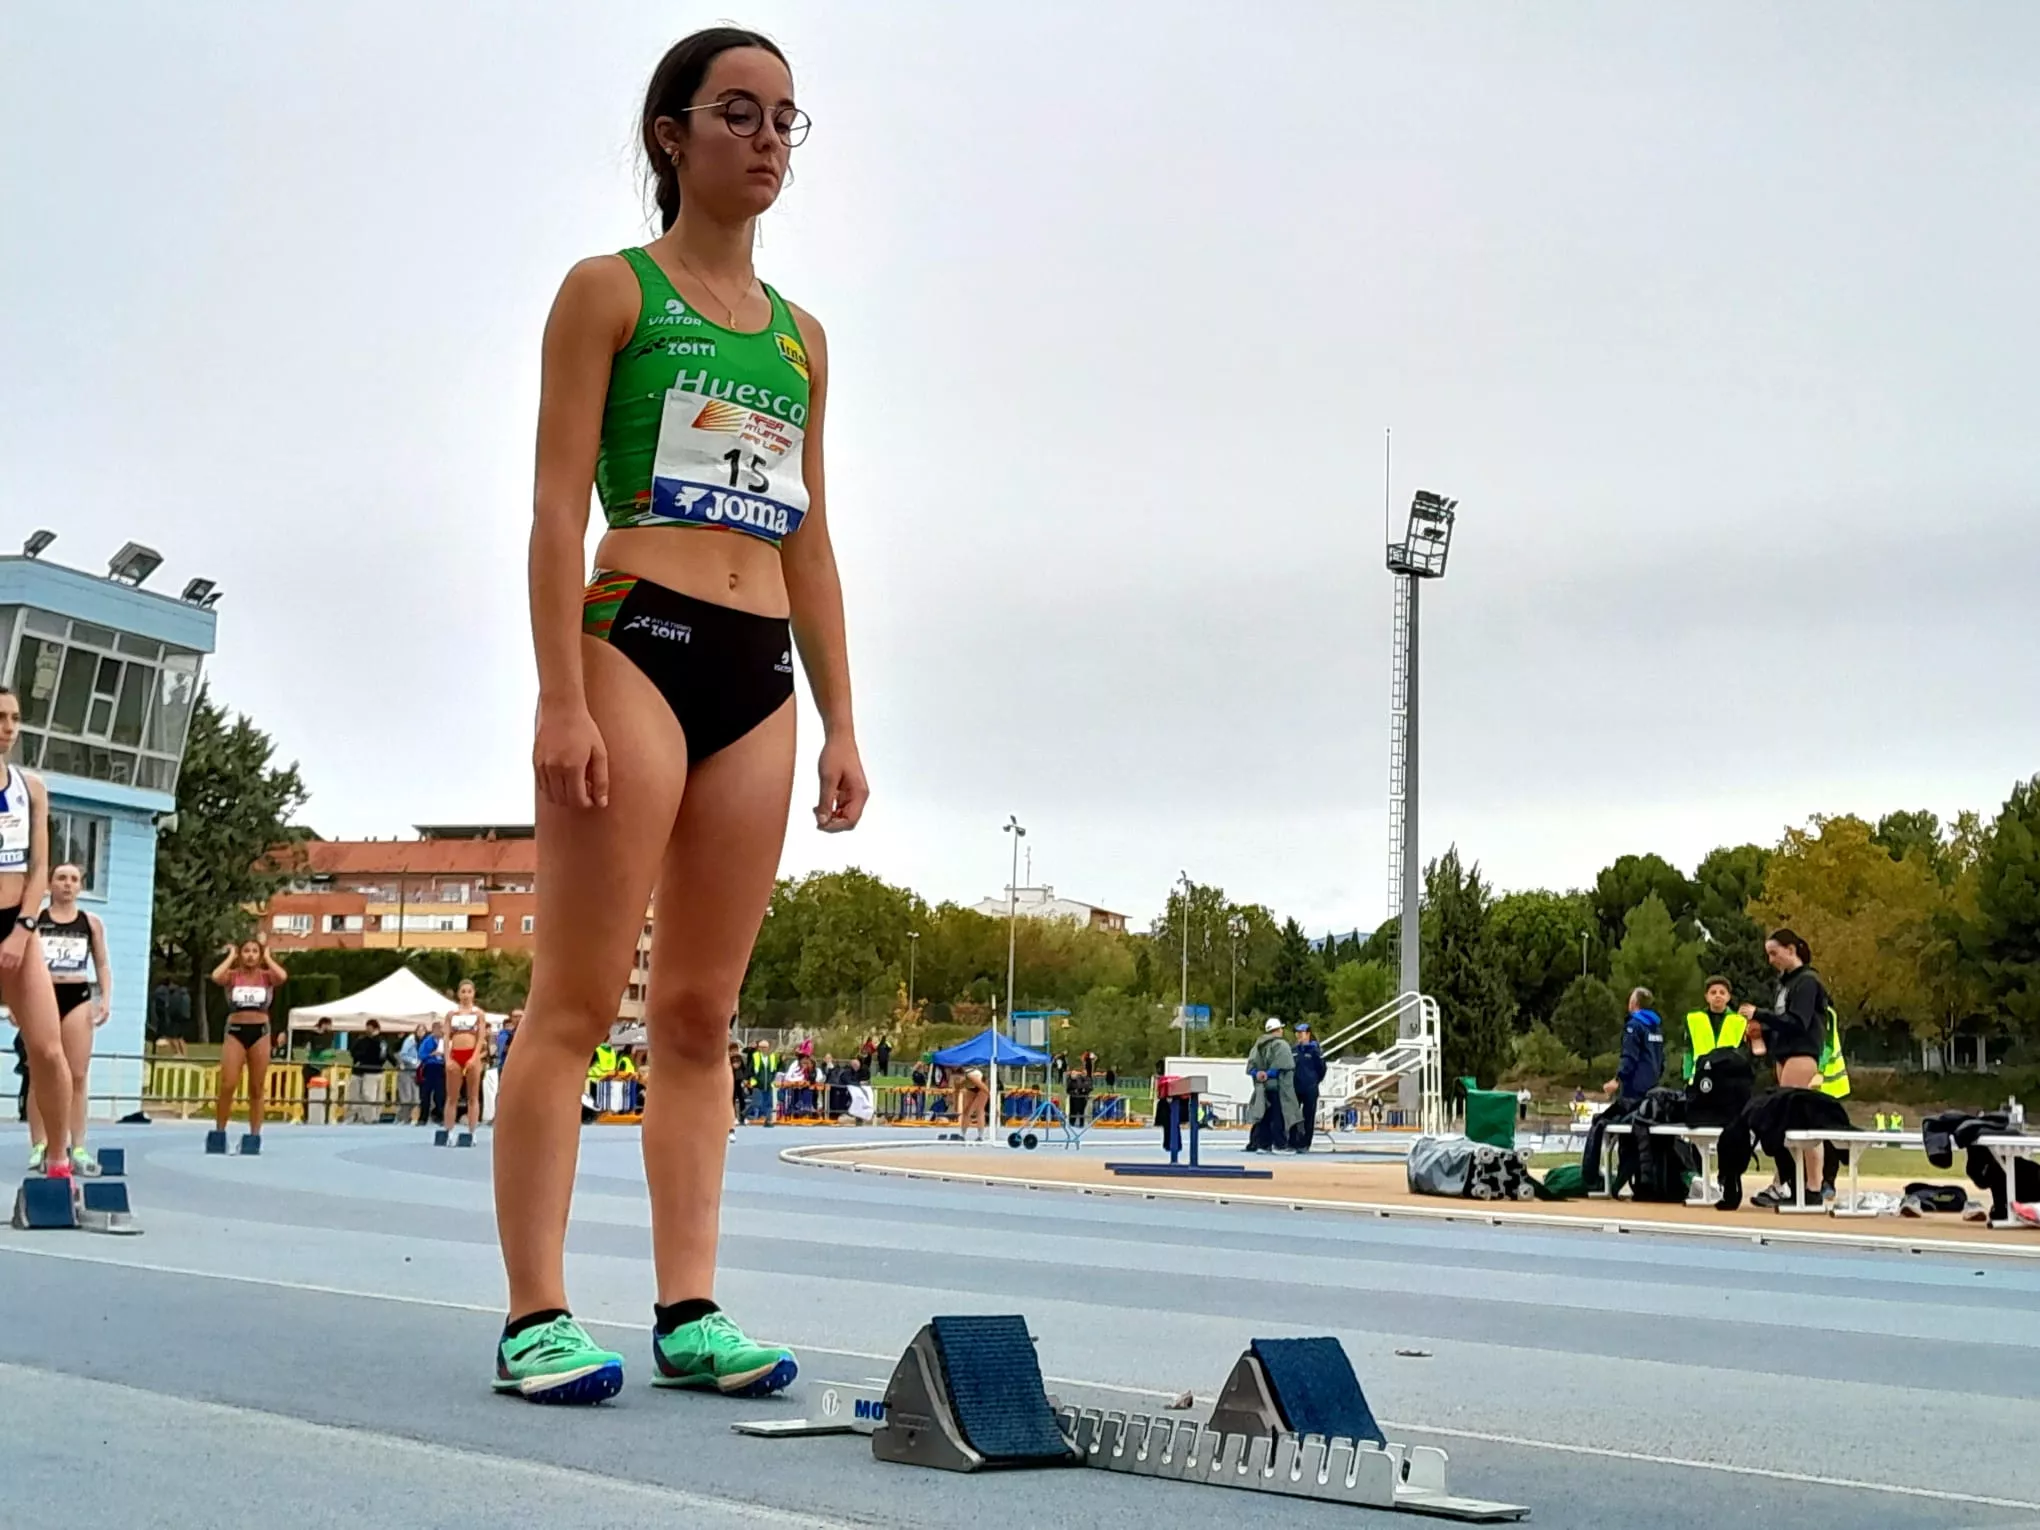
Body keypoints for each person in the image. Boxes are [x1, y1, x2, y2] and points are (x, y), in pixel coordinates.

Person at [492, 20, 866, 1406]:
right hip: (632, 642)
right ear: (673, 135)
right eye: (739, 113)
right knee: (580, 999)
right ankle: (536, 1311)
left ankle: (691, 1306)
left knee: (703, 1014)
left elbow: (813, 538)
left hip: (758, 668)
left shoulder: (804, 342)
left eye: (786, 120)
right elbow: (547, 504)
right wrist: (556, 692)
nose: (767, 139)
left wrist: (841, 720)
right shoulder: (609, 292)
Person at [0, 688, 72, 1183]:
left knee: (47, 1050)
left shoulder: (32, 788)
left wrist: (24, 927)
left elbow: (39, 864)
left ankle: (58, 1158)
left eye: (15, 718)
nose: (7, 726)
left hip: (15, 924)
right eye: (0, 717)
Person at [1738, 929, 1840, 1207]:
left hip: (1802, 1054)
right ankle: (1795, 1183)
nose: (1771, 960)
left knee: (1801, 1123)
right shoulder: (1784, 984)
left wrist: (1760, 1014)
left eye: (1774, 953)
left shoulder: (1807, 982)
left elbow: (1798, 1022)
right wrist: (1762, 1031)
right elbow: (1783, 1023)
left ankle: (1812, 1186)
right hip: (1785, 1055)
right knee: (1791, 1122)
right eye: (1768, 954)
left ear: (1791, 949)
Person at [29, 862, 112, 1174]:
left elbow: (102, 963)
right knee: (41, 1072)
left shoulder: (91, 923)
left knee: (77, 1074)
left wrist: (105, 998)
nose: (67, 884)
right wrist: (13, 1003)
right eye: (61, 878)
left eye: (73, 879)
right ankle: (41, 1144)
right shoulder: (36, 919)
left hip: (76, 994)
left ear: (80, 887)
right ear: (50, 885)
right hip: (41, 994)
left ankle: (77, 1146)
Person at [209, 938, 286, 1154]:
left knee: (257, 1087)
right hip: (235, 1031)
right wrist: (230, 956)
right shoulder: (233, 976)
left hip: (260, 1031)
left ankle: (254, 1135)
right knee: (228, 1083)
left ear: (259, 955)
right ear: (241, 954)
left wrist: (269, 958)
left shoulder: (266, 976)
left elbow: (282, 976)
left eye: (254, 951)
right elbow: (216, 976)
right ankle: (219, 1132)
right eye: (246, 951)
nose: (250, 955)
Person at [1244, 1018, 1301, 1153]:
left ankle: (1263, 1144)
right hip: (1278, 1088)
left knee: (1265, 1116)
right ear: (1279, 1030)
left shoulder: (1258, 1045)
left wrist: (1259, 1074)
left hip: (1263, 1088)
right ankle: (1279, 1145)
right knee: (1279, 1116)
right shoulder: (1281, 1045)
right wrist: (1269, 1073)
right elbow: (1284, 1066)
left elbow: (1251, 1067)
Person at [442, 980, 489, 1142]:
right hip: (455, 1055)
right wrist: (447, 1058)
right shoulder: (451, 1014)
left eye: (469, 991)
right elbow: (446, 1037)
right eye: (463, 991)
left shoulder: (478, 1014)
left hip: (472, 1055)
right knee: (451, 1097)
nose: (466, 995)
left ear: (474, 993)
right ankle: (449, 1131)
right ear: (458, 994)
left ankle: (472, 1131)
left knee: (472, 1096)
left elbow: (481, 1037)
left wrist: (475, 1057)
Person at [1603, 989, 1665, 1105]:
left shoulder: (1634, 1026)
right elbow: (1661, 1059)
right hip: (1653, 1087)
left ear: (1634, 1003)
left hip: (1634, 1089)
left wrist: (1617, 1079)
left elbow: (1629, 1056)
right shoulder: (1657, 1027)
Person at [1683, 976, 1747, 1084]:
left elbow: (1743, 1052)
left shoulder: (1740, 1021)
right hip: (1700, 1076)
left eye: (1722, 992)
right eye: (1713, 992)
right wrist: (1687, 1076)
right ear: (1706, 997)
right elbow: (1688, 1050)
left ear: (1728, 997)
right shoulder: (1693, 1019)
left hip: (1728, 1077)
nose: (1718, 995)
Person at [1291, 1021, 1326, 1151]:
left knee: (1308, 1116)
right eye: (1297, 1033)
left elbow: (1322, 1069)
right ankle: (1293, 1141)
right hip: (1295, 1088)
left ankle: (1305, 1143)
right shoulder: (1294, 1050)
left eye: (1301, 1033)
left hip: (1310, 1088)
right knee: (1293, 1115)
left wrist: (1314, 1081)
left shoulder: (1315, 1050)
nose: (1298, 1035)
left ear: (1308, 1034)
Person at [417, 1023, 446, 1127]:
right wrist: (431, 1054)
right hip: (429, 1067)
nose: (441, 1031)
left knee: (440, 1094)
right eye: (439, 1029)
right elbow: (421, 1055)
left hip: (441, 1067)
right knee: (425, 1094)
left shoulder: (445, 1041)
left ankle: (440, 1116)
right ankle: (423, 1118)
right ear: (434, 1030)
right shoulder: (427, 1041)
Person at [395, 1023, 422, 1122]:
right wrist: (414, 1061)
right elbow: (403, 1054)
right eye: (419, 1030)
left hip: (417, 1072)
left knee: (416, 1097)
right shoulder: (410, 1040)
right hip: (406, 1070)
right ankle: (402, 1118)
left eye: (423, 1030)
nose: (421, 1033)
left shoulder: (424, 1041)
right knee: (406, 1096)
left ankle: (413, 1118)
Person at [955, 1068, 991, 1142]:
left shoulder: (971, 1076)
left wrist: (993, 1101)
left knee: (979, 1110)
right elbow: (956, 1093)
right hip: (971, 1088)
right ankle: (962, 1135)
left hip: (983, 1085)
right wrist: (956, 1105)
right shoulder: (958, 1082)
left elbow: (984, 1088)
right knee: (966, 1111)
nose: (959, 1081)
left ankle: (980, 1136)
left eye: (959, 1079)